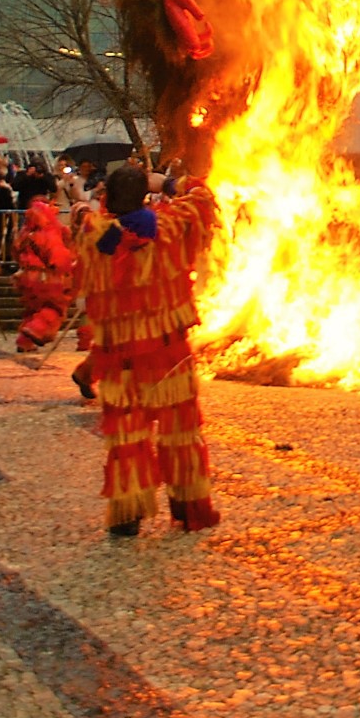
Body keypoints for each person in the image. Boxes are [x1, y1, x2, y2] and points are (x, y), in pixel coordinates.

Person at [61, 166, 221, 535]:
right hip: (169, 358)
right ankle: (187, 505)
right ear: (145, 197)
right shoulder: (170, 226)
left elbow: (81, 213)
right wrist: (167, 182)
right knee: (180, 434)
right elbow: (203, 197)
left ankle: (128, 513)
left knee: (128, 438)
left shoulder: (94, 234)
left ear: (107, 200)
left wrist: (86, 203)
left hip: (122, 361)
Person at [13, 198, 76, 351]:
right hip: (45, 277)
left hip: (25, 276)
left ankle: (24, 341)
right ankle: (36, 330)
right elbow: (59, 258)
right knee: (54, 307)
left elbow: (15, 252)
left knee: (33, 310)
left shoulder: (24, 234)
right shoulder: (49, 233)